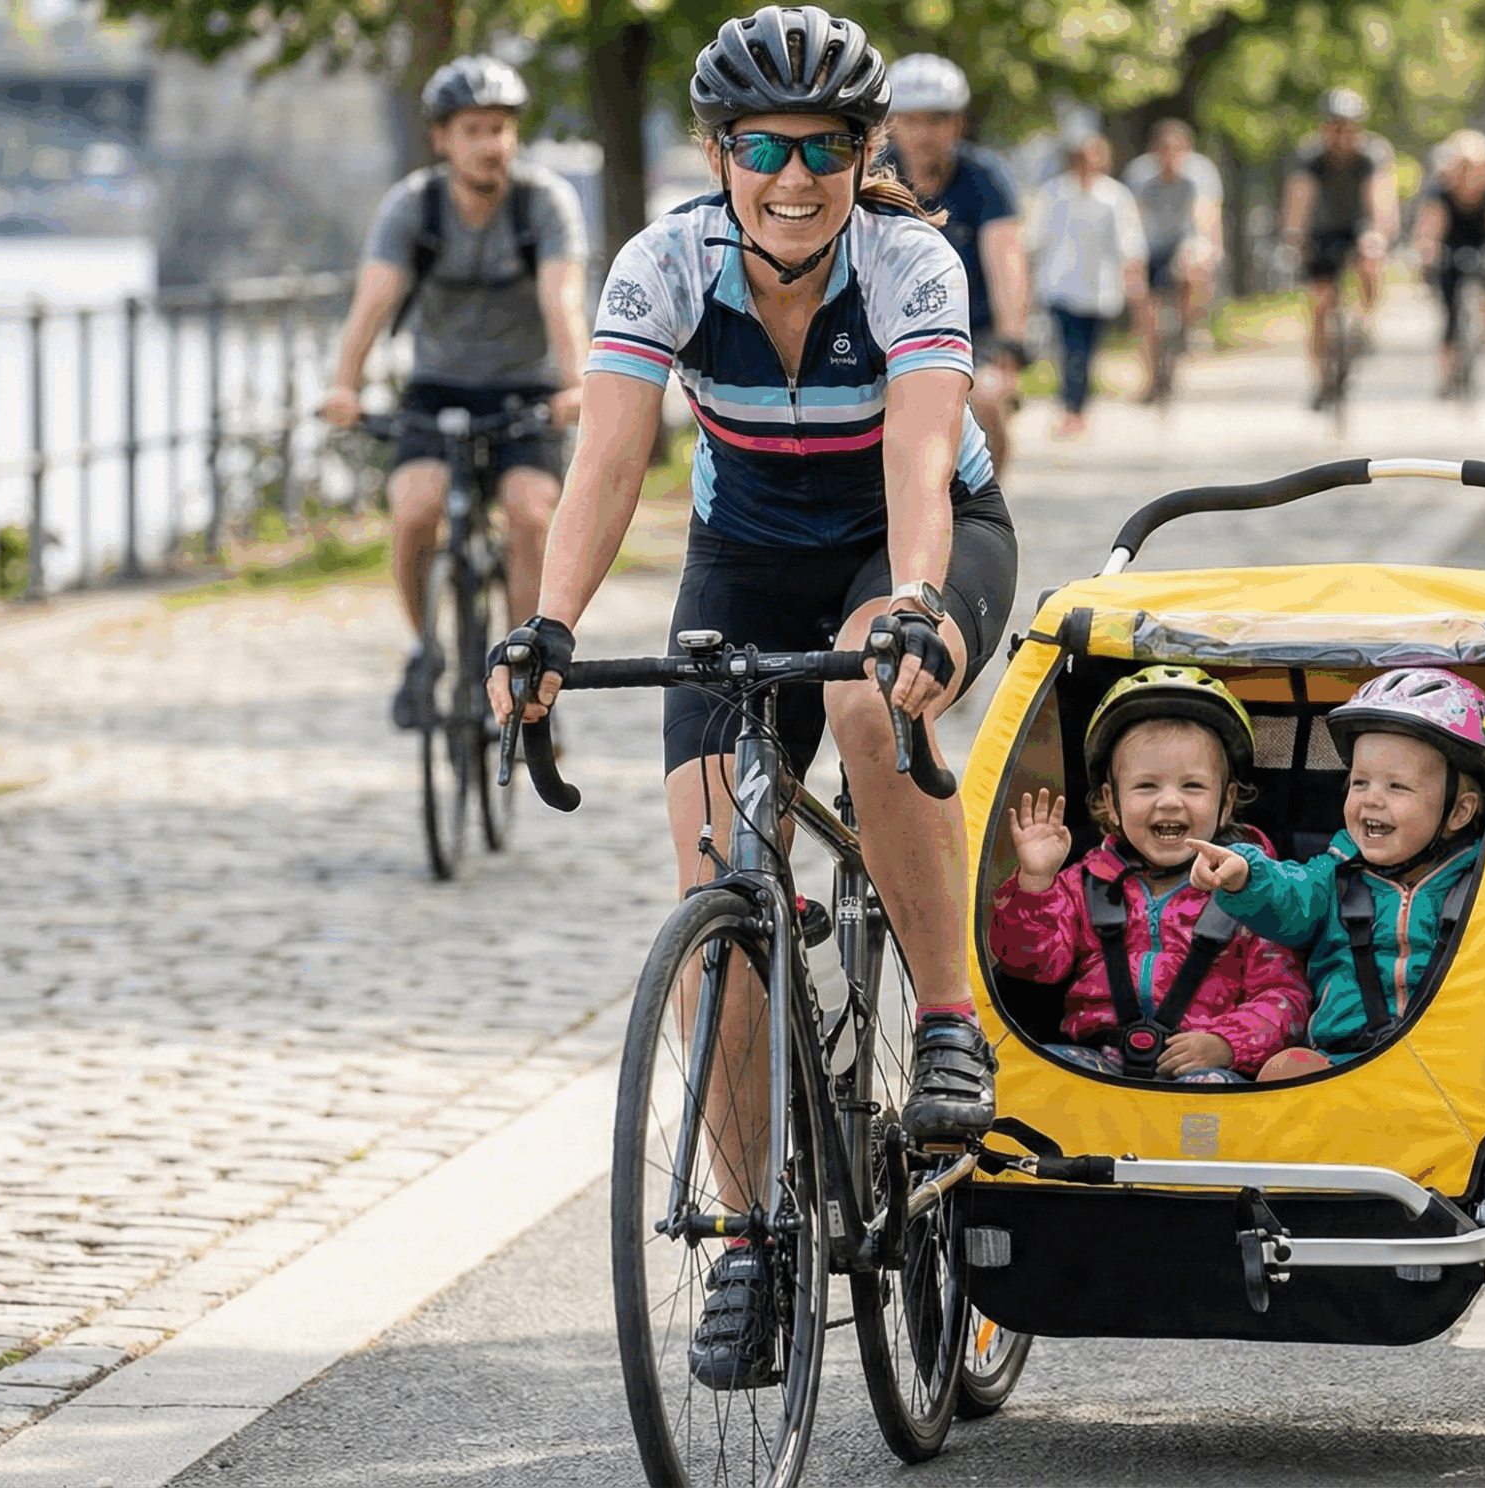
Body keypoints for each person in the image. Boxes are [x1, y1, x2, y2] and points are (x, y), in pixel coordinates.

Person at [484, 4, 1016, 1389]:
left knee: (868, 705)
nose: (795, 176)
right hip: (744, 556)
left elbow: (920, 456)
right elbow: (609, 459)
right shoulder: (664, 262)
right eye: (764, 147)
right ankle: (747, 1239)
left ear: (864, 153)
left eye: (827, 147)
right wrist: (548, 625)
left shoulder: (910, 261)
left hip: (910, 542)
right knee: (715, 880)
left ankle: (948, 1023)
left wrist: (913, 605)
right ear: (719, 151)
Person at [319, 56, 588, 730]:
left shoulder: (543, 203)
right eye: (473, 130)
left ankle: (526, 666)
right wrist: (344, 384)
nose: (490, 144)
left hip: (527, 390)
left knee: (529, 513)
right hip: (437, 389)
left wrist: (576, 383)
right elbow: (374, 300)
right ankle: (425, 648)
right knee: (416, 507)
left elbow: (562, 300)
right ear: (442, 138)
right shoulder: (413, 206)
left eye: (500, 128)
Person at [990, 668, 1312, 1083]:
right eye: (1146, 786)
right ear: (1111, 803)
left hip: (1205, 1068)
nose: (1170, 802)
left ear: (1227, 802)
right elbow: (1032, 966)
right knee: (1038, 1074)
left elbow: (1284, 995)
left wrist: (1226, 1044)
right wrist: (1035, 882)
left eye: (1192, 786)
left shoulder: (1253, 892)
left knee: (1211, 1087)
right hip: (1100, 1062)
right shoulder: (1083, 884)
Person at [1186, 669, 1485, 1082]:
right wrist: (1246, 873)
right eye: (1360, 782)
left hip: (1448, 1069)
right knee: (1286, 1068)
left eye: (1397, 787)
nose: (1371, 799)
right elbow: (1291, 895)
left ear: (1459, 811)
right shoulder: (1334, 875)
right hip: (1342, 1069)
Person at [879, 53, 1031, 470]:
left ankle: (987, 502)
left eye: (937, 120)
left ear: (958, 123)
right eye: (911, 120)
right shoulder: (871, 176)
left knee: (986, 402)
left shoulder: (985, 177)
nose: (924, 132)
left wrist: (1011, 342)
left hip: (972, 333)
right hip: (886, 332)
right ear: (891, 123)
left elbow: (1008, 262)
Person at [1026, 132, 1147, 439]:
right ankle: (1071, 412)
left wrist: (1134, 283)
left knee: (1087, 353)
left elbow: (1129, 243)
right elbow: (1034, 240)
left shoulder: (1115, 196)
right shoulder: (1053, 194)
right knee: (1071, 351)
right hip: (1059, 286)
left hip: (1100, 290)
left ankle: (1078, 409)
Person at [1282, 88, 1398, 409]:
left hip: (1359, 228)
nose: (1341, 133)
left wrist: (1379, 233)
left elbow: (1381, 197)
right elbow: (1298, 199)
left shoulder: (1371, 155)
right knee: (1319, 305)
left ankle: (1365, 322)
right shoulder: (1311, 157)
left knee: (1371, 254)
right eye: (1334, 125)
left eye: (1347, 126)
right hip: (1322, 232)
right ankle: (1321, 381)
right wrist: (1293, 239)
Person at [1409, 130, 1485, 396]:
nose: (1468, 174)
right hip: (1450, 249)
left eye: (1474, 166)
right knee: (1450, 313)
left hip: (1484, 246)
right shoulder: (1439, 194)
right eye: (1462, 167)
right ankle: (1446, 376)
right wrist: (1425, 255)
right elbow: (1427, 231)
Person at [1123, 119, 1225, 403]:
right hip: (1151, 245)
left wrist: (1210, 251)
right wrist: (1131, 266)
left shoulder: (1200, 172)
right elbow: (1132, 221)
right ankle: (1150, 379)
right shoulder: (1140, 174)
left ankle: (1190, 326)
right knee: (1146, 313)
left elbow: (1207, 215)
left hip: (1186, 242)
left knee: (1196, 261)